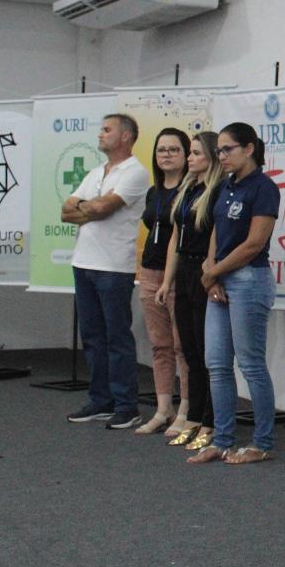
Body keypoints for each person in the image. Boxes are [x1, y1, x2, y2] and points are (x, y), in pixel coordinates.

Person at [188, 122, 280, 465]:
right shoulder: (226, 185)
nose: (221, 156)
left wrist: (213, 272)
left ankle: (262, 442)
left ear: (249, 148)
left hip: (249, 279)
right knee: (216, 364)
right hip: (221, 280)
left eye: (227, 149)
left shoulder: (264, 187)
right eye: (219, 151)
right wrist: (211, 274)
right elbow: (217, 232)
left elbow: (254, 243)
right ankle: (222, 440)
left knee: (251, 364)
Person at [64, 113, 151, 430]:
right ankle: (101, 401)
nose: (100, 134)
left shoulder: (136, 172)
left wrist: (88, 208)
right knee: (92, 337)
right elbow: (65, 211)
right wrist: (90, 208)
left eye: (106, 129)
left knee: (117, 337)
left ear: (125, 136)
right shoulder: (95, 172)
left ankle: (127, 406)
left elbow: (102, 208)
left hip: (114, 266)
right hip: (83, 263)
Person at [157, 131, 223, 450]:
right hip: (183, 268)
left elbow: (217, 236)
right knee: (190, 350)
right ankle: (194, 417)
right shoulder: (188, 188)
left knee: (206, 349)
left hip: (202, 270)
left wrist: (210, 273)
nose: (190, 158)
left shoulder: (218, 190)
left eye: (196, 153)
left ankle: (211, 420)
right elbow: (175, 239)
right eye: (191, 153)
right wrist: (167, 281)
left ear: (211, 157)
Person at [134, 127, 191, 435]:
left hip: (178, 275)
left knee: (182, 346)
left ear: (186, 154)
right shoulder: (153, 192)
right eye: (161, 150)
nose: (166, 155)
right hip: (149, 272)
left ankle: (186, 409)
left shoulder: (191, 190)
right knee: (160, 345)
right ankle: (163, 408)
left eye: (173, 149)